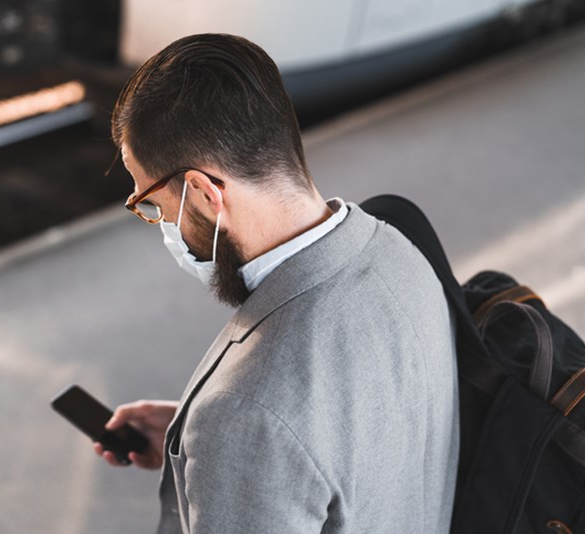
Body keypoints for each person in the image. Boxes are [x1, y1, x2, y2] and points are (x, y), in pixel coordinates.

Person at [94, 33, 460, 533]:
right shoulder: (401, 249)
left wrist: (229, 442)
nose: (162, 226)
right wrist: (195, 437)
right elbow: (369, 423)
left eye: (154, 206)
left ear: (203, 192)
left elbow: (270, 417)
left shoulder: (245, 416)